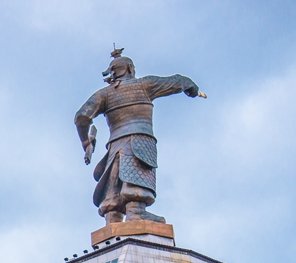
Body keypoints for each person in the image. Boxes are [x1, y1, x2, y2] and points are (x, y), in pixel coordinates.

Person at [74, 48, 205, 224]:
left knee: (114, 181)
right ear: (130, 69)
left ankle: (112, 216)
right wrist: (193, 90)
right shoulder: (145, 85)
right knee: (136, 171)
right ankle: (136, 211)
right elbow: (178, 81)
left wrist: (85, 142)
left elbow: (81, 117)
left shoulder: (104, 94)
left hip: (115, 146)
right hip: (139, 141)